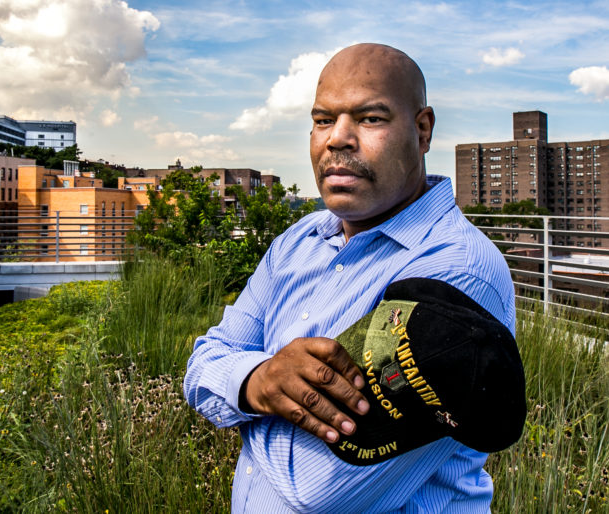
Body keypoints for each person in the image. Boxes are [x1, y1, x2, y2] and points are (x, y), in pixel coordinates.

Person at [183, 43, 515, 513]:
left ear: (422, 131)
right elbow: (199, 369)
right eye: (323, 120)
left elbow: (318, 489)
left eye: (370, 118)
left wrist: (244, 401)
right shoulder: (298, 240)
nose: (337, 138)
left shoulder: (453, 272)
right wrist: (259, 380)